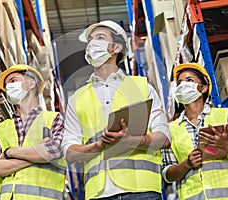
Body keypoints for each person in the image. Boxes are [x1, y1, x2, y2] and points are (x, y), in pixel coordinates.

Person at [62, 20, 171, 200]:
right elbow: (69, 152)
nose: (92, 44)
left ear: (116, 47)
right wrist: (97, 146)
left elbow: (164, 138)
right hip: (98, 194)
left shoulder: (142, 87)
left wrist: (133, 140)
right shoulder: (77, 99)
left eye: (100, 38)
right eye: (90, 40)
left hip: (142, 191)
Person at [162, 63, 228, 199]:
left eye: (189, 80)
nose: (183, 85)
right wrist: (186, 164)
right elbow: (168, 174)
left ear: (203, 88)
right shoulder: (170, 129)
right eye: (179, 83)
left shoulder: (225, 116)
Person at [0, 64, 66, 200]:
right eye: (6, 85)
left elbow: (55, 151)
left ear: (31, 83)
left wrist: (9, 153)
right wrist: (38, 155)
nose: (9, 87)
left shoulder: (53, 119)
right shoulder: (1, 129)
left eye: (13, 81)